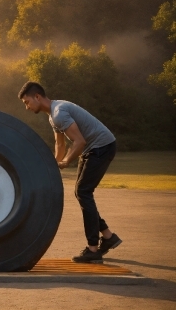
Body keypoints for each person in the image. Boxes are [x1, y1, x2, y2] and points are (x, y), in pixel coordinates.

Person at [18, 81, 122, 264]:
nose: (27, 107)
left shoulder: (59, 113)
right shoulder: (53, 116)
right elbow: (60, 144)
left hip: (101, 147)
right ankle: (107, 236)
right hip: (94, 148)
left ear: (37, 97)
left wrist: (66, 161)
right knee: (81, 192)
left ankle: (93, 250)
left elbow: (79, 141)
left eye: (27, 102)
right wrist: (54, 165)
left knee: (83, 192)